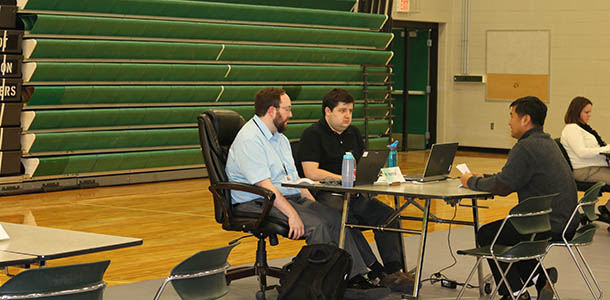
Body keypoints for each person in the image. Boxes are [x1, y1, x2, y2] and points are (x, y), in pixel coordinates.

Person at [225, 87, 389, 299]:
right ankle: (321, 287)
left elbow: (295, 180)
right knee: (317, 225)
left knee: (333, 217)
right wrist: (293, 215)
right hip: (256, 201)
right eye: (288, 109)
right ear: (272, 110)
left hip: (282, 196)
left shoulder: (280, 139)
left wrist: (314, 205)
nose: (291, 114)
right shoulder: (250, 139)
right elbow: (266, 187)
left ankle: (353, 278)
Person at [460, 96, 580, 300]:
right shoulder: (548, 142)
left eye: (512, 116)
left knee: (489, 235)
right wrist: (486, 178)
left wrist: (470, 182)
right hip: (567, 220)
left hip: (548, 223)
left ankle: (514, 292)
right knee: (513, 236)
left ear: (525, 119)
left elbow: (503, 187)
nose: (509, 122)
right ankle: (541, 280)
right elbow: (514, 178)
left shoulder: (525, 147)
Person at [296, 88, 414, 293]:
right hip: (326, 193)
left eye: (350, 110)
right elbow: (311, 171)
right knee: (342, 220)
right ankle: (375, 271)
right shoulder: (312, 134)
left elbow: (363, 164)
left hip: (355, 193)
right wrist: (344, 179)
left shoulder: (354, 133)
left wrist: (375, 178)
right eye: (342, 110)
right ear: (327, 111)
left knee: (387, 216)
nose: (348, 115)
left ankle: (395, 271)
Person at [560, 96, 610, 220]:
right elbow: (581, 152)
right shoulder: (571, 129)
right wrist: (605, 149)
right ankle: (608, 210)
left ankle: (607, 210)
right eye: (586, 112)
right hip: (585, 171)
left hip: (595, 168)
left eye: (590, 112)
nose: (589, 115)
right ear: (577, 112)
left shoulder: (583, 128)